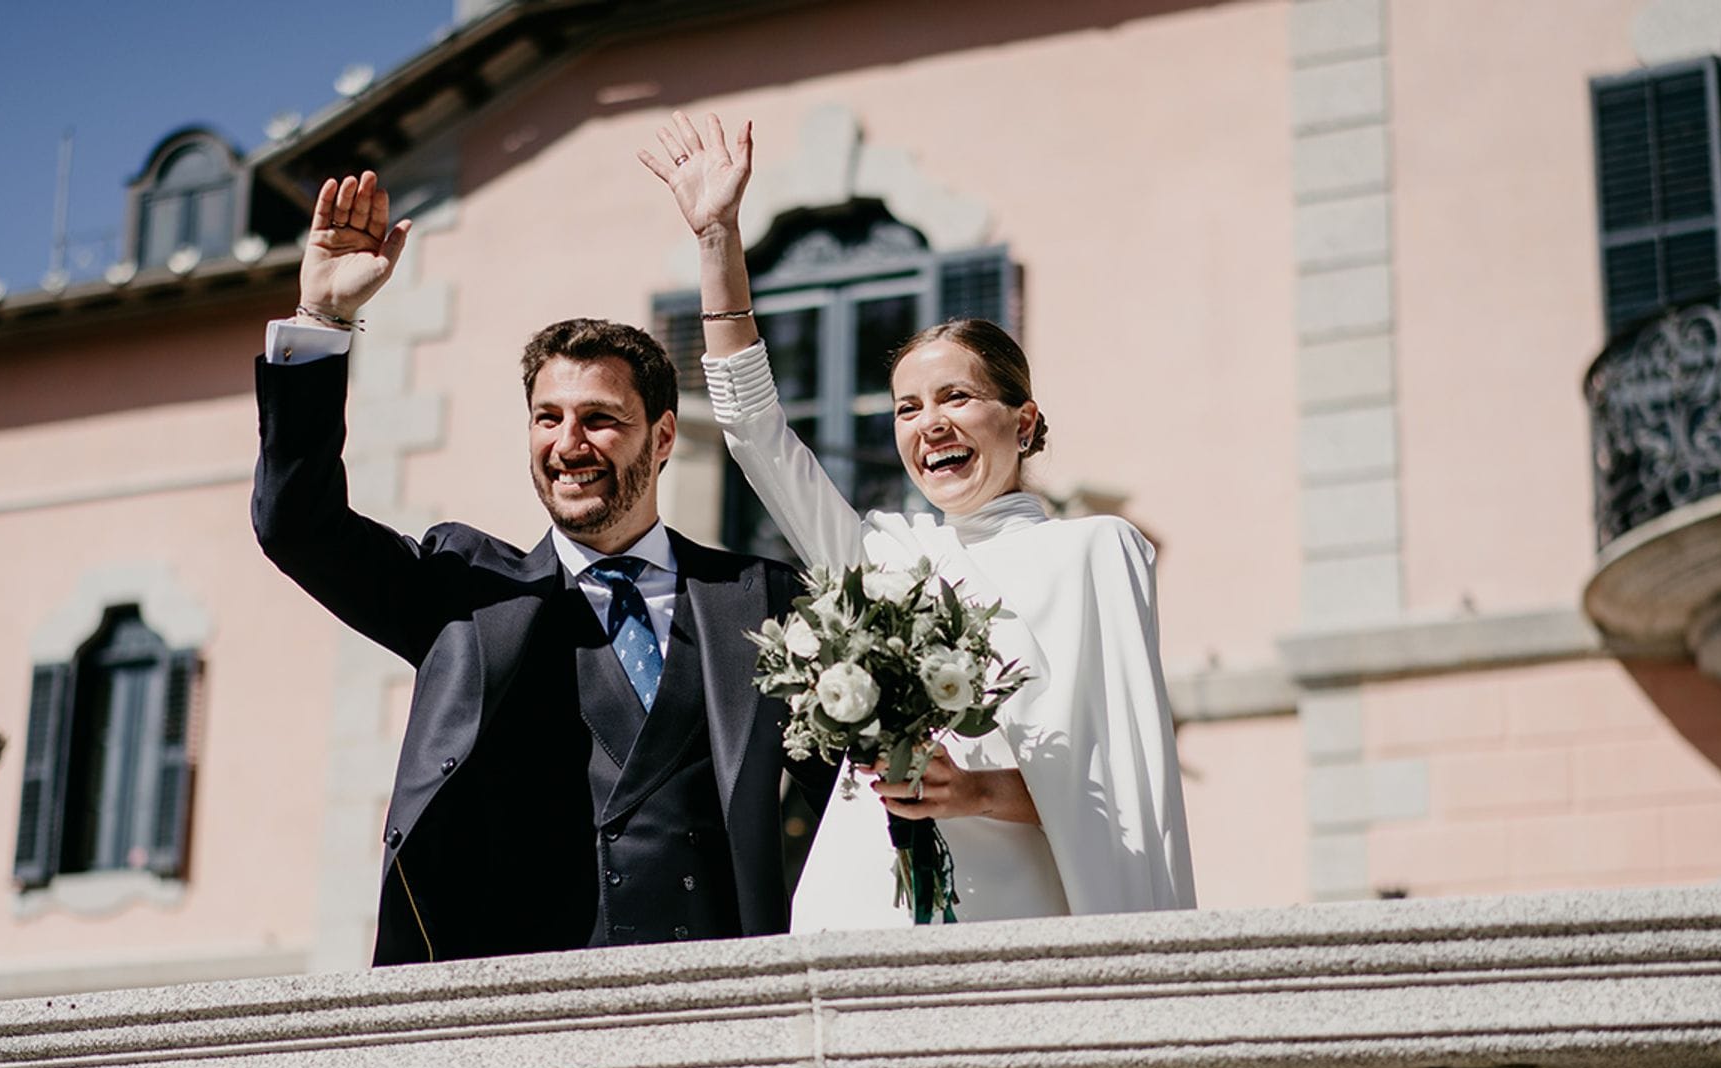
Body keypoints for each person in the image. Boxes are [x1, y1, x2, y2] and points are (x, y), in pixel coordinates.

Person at [253, 170, 836, 964]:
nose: (568, 444)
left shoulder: (759, 600)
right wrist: (322, 317)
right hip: (516, 1006)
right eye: (547, 418)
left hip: (723, 997)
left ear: (662, 438)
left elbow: (850, 790)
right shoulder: (463, 593)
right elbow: (297, 523)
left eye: (600, 419)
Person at [641, 113, 1195, 928]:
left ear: (1026, 421)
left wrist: (974, 790)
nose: (928, 423)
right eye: (906, 407)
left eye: (956, 398)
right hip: (862, 907)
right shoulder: (883, 554)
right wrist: (719, 237)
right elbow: (755, 433)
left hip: (1013, 919)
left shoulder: (1096, 551)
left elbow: (1126, 786)